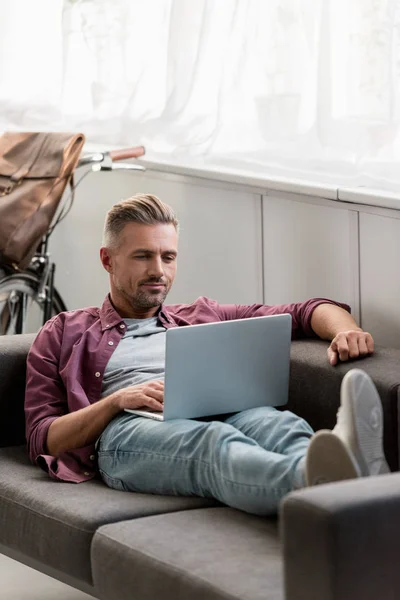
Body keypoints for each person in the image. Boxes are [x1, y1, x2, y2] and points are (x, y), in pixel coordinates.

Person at [24, 194, 389, 516]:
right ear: (108, 260)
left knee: (276, 424)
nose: (158, 271)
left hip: (223, 410)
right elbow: (43, 437)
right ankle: (336, 485)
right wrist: (118, 401)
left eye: (168, 257)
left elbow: (307, 310)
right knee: (212, 442)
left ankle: (345, 479)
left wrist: (345, 331)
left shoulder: (201, 315)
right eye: (142, 256)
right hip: (128, 431)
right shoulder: (63, 331)